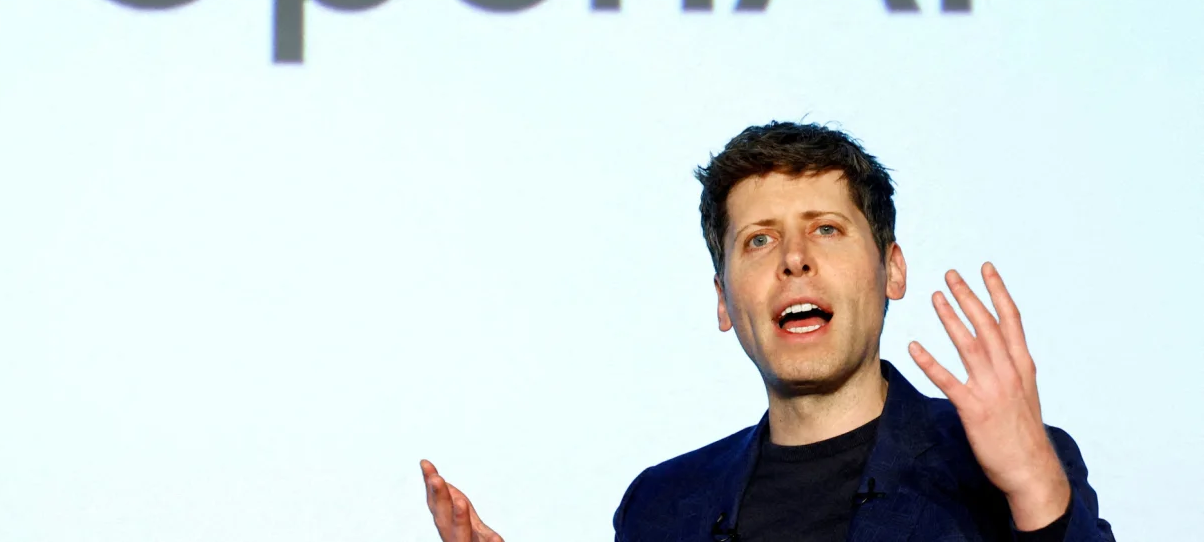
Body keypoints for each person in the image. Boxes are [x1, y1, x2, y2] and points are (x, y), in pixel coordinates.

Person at [419, 121, 1114, 541]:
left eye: (826, 228)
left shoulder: (1012, 468)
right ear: (724, 300)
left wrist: (1032, 488)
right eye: (757, 240)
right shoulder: (662, 506)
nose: (793, 258)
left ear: (891, 269)